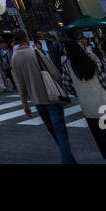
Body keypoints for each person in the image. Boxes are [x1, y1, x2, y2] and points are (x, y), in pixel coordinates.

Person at [61, 30, 106, 164]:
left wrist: (79, 92)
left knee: (105, 139)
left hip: (90, 109)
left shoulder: (67, 65)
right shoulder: (91, 60)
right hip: (104, 104)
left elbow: (66, 84)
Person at [10, 29, 76, 164]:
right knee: (61, 133)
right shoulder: (35, 52)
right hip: (51, 96)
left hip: (37, 101)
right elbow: (55, 72)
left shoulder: (15, 58)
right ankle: (68, 161)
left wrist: (25, 104)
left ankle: (70, 160)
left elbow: (20, 84)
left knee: (54, 133)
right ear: (27, 38)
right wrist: (63, 85)